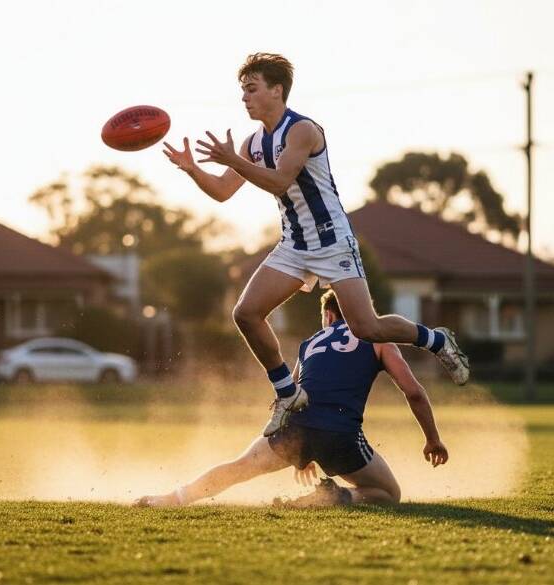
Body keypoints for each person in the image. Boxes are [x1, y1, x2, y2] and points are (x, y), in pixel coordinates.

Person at [163, 52, 469, 436]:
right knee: (245, 313)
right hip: (294, 243)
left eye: (252, 89)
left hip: (332, 241)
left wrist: (234, 160)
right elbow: (224, 191)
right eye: (242, 90)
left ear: (277, 90)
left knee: (367, 328)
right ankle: (287, 394)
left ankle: (436, 339)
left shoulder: (303, 130)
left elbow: (278, 180)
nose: (244, 98)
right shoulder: (252, 142)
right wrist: (194, 170)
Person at [136, 290, 449, 507]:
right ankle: (335, 498)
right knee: (388, 493)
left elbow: (291, 395)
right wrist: (432, 439)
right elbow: (413, 392)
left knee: (239, 467)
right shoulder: (378, 339)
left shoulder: (309, 343)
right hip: (341, 435)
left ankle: (172, 499)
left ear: (328, 314)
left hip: (295, 428)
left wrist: (301, 452)